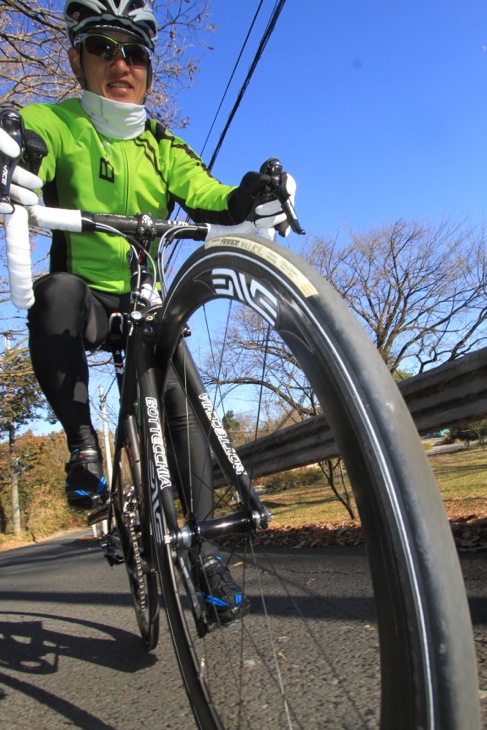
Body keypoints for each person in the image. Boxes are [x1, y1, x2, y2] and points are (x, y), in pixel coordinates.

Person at [1, 0, 295, 624]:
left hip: (149, 301)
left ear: (148, 71)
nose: (121, 63)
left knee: (183, 409)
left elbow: (209, 195)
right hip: (85, 295)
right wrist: (15, 155)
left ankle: (203, 554)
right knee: (54, 292)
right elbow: (28, 145)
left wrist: (248, 196)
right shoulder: (54, 120)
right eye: (104, 47)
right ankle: (84, 452)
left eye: (135, 53)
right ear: (76, 56)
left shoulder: (162, 141)